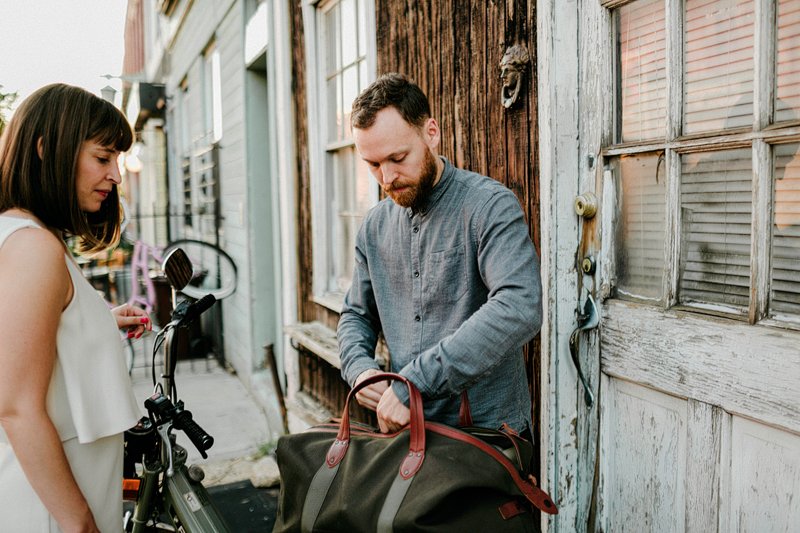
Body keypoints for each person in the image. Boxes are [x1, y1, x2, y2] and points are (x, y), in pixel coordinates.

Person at [338, 73, 542, 436]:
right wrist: (361, 369)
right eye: (372, 164)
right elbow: (356, 314)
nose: (386, 177)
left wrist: (414, 383)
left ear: (431, 133)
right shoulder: (373, 227)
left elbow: (519, 306)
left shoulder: (489, 206)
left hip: (486, 436)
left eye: (397, 157)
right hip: (404, 433)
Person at [0, 83, 151, 532]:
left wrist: (96, 325)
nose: (116, 176)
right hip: (50, 508)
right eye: (103, 158)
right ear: (48, 149)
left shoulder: (18, 235)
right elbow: (15, 405)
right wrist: (78, 522)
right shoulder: (33, 247)